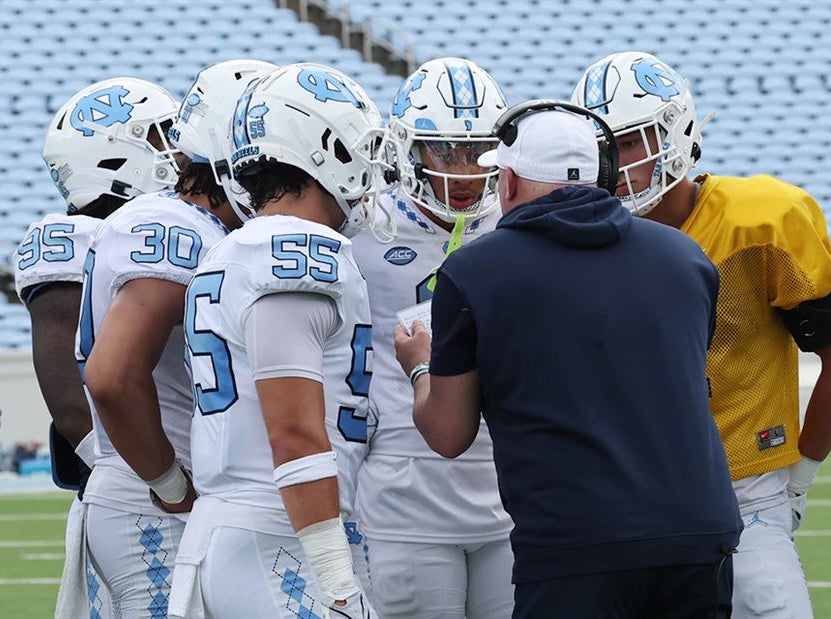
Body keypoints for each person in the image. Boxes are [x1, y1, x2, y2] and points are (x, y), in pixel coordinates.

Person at [393, 101, 742, 618]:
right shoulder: (685, 256)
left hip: (576, 540)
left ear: (507, 182)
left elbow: (449, 433)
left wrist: (421, 367)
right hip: (699, 532)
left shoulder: (476, 271)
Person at [571, 51, 831, 618]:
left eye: (635, 140)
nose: (619, 163)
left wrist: (800, 477)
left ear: (677, 133)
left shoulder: (760, 221)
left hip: (747, 492)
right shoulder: (578, 241)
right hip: (624, 501)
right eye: (605, 147)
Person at [168, 62, 386, 619]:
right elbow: (292, 431)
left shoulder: (239, 246)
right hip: (278, 534)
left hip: (245, 528)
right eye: (360, 146)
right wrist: (337, 580)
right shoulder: (295, 251)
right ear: (323, 149)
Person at [78, 60, 273, 617]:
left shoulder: (194, 224)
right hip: (154, 496)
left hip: (158, 488)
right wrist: (170, 484)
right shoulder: (176, 225)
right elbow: (112, 375)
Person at [351, 57, 514, 618]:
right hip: (404, 496)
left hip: (509, 488)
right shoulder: (361, 232)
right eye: (444, 151)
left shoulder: (519, 226)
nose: (464, 171)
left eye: (477, 152)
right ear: (406, 148)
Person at [14, 76, 179, 619]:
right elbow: (69, 396)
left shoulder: (173, 226)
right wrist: (139, 473)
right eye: (158, 136)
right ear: (115, 154)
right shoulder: (74, 237)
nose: (174, 149)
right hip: (140, 491)